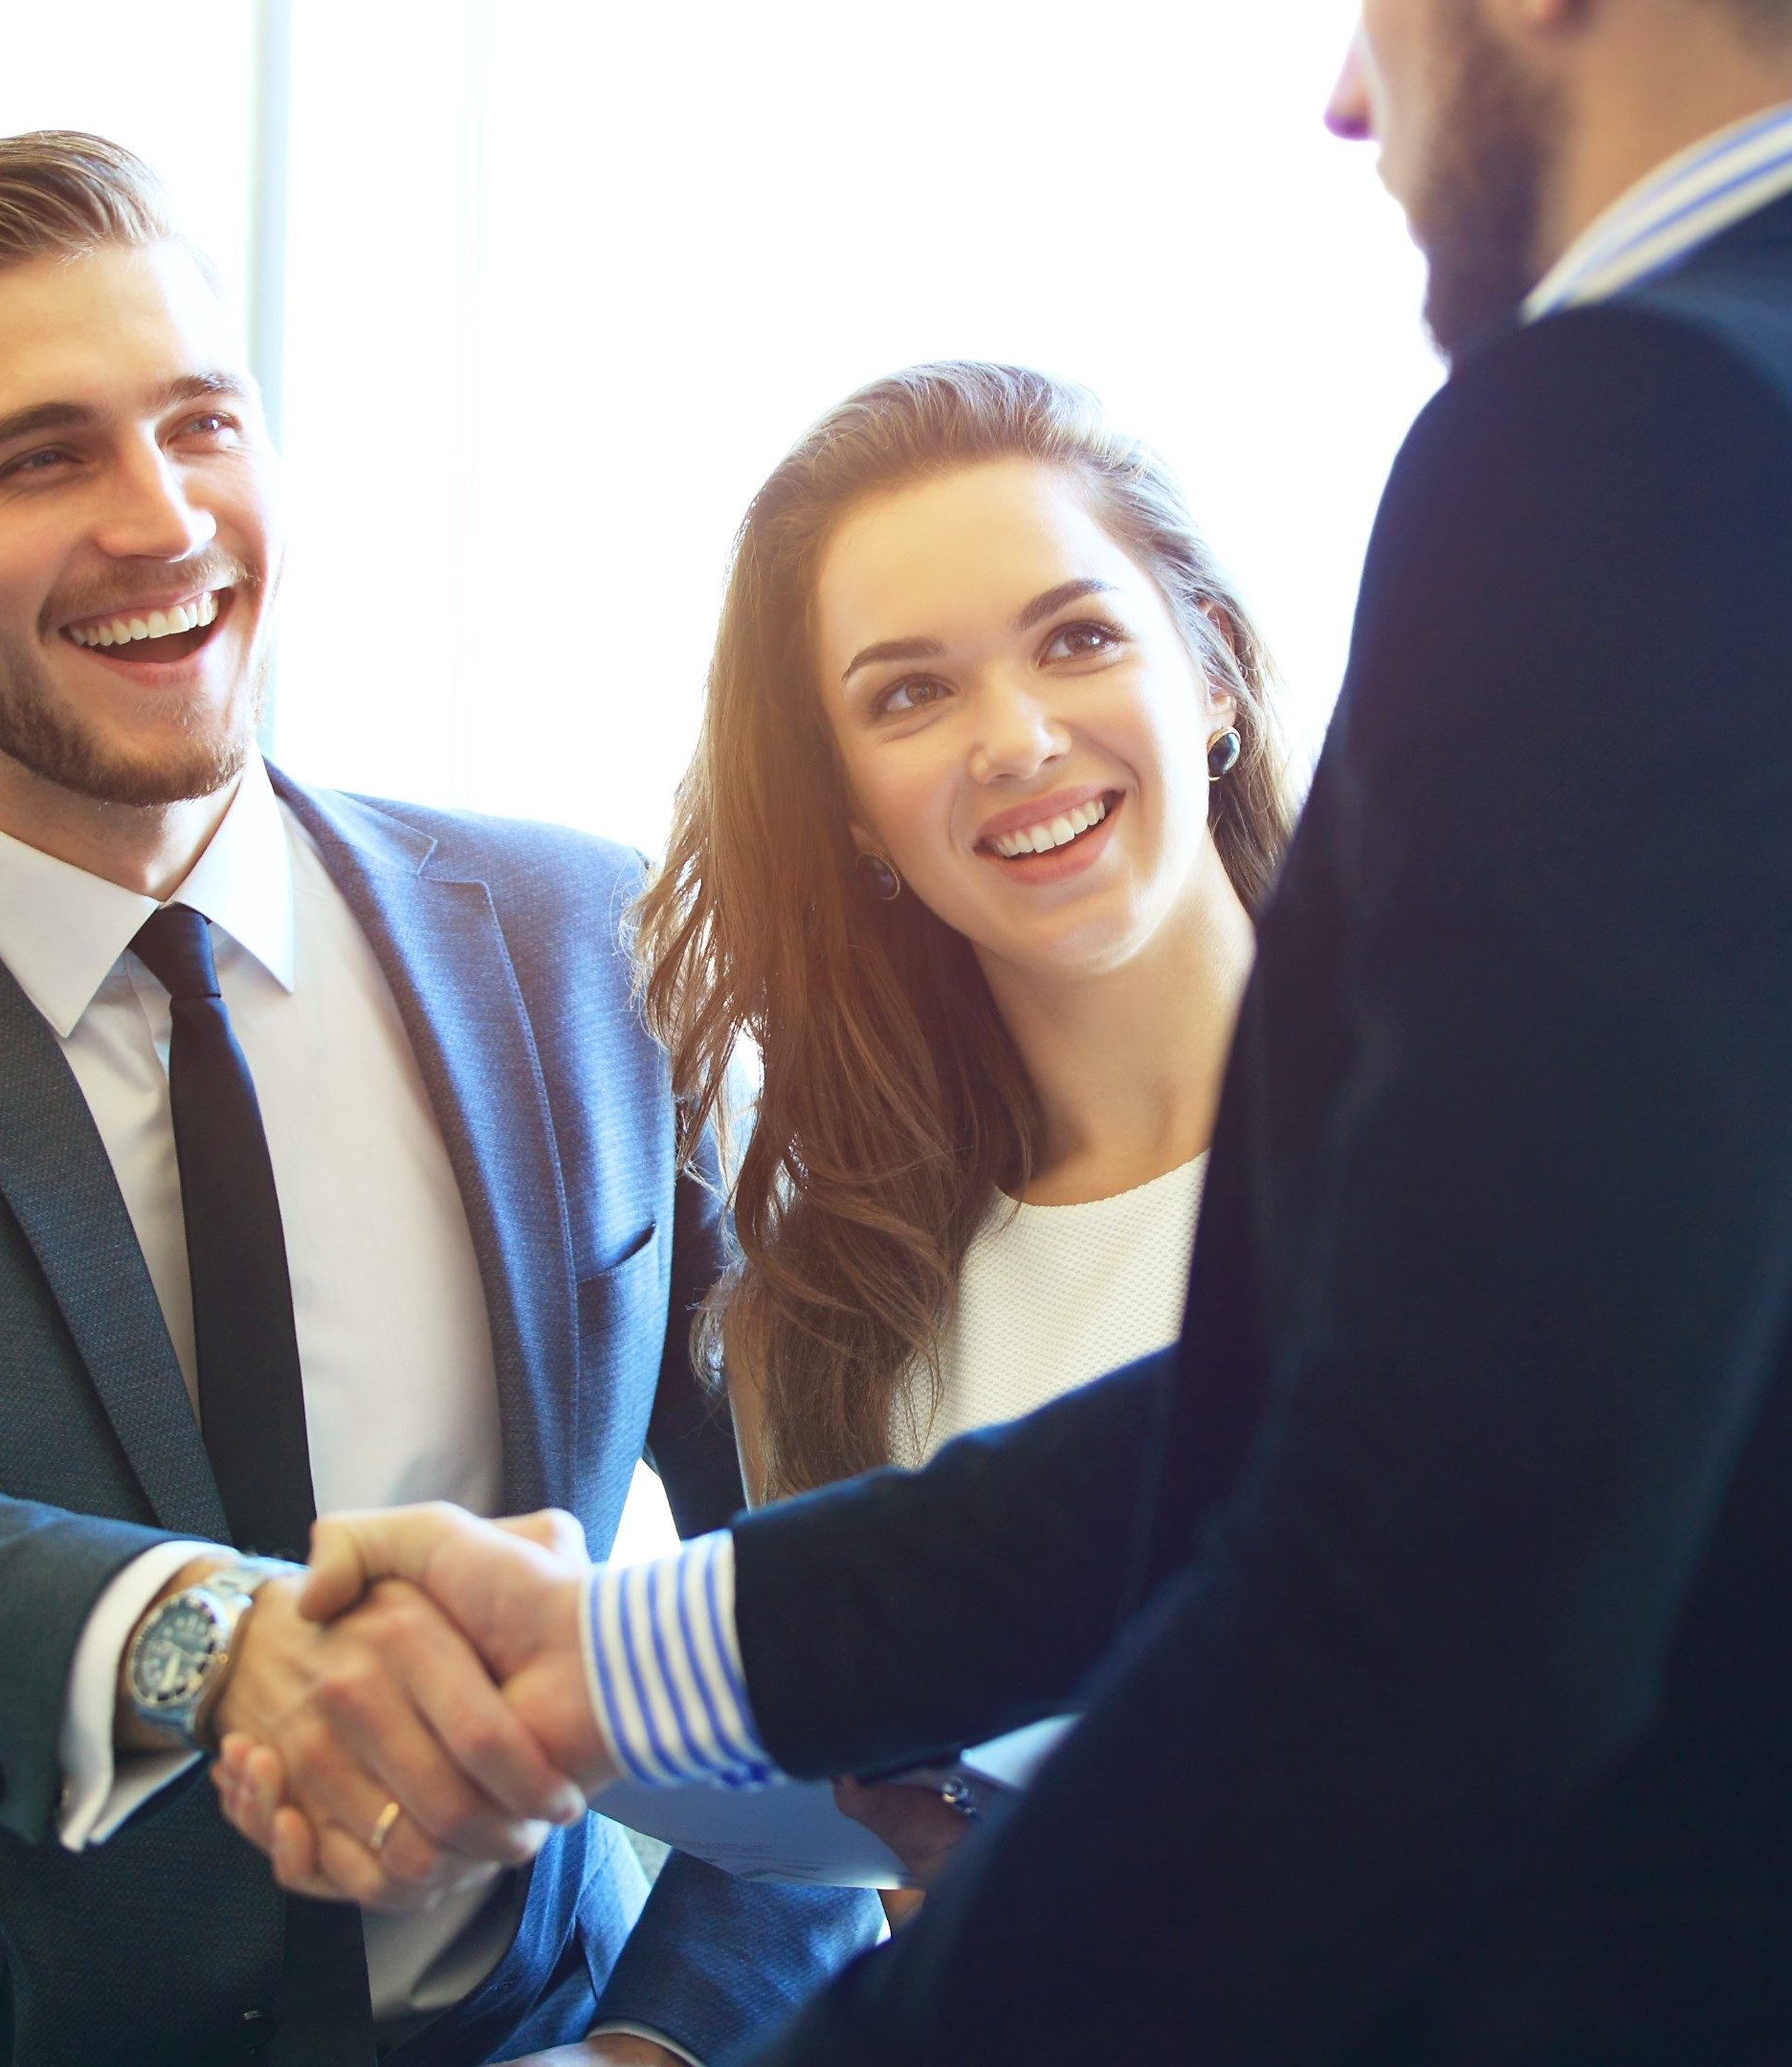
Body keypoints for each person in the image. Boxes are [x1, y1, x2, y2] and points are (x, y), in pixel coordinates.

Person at [223, 0, 1792, 2060]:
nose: (1353, 105)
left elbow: (1420, 1589)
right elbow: (1394, 1402)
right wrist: (611, 1656)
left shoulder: (1635, 441)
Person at [0, 131, 873, 2067]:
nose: (159, 520)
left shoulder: (586, 941)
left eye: (200, 423)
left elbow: (824, 1569)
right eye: (39, 456)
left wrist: (660, 2044)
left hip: (549, 2027)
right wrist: (229, 1654)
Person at [626, 362, 1297, 1895]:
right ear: (852, 808)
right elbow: (913, 1897)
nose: (1015, 740)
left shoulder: (1477, 1140)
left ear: (1212, 675)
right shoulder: (836, 1319)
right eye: (911, 693)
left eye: (1076, 639)